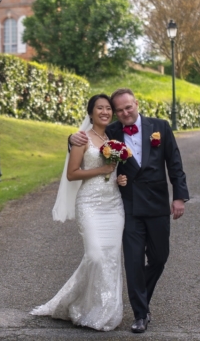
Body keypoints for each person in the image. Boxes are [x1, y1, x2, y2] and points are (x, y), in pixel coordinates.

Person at [69, 88, 189, 333]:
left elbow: (174, 164)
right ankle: (141, 314)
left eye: (128, 107)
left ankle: (139, 294)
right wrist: (70, 139)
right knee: (133, 261)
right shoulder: (111, 131)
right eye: (119, 110)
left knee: (159, 257)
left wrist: (179, 197)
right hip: (129, 205)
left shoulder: (161, 127)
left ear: (136, 103)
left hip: (157, 205)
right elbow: (88, 141)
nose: (124, 113)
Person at [31, 94, 128, 331]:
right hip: (90, 204)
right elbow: (72, 173)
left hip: (114, 205)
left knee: (112, 258)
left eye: (108, 108)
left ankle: (105, 310)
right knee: (95, 255)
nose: (104, 112)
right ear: (91, 112)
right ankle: (74, 303)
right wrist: (102, 169)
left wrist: (119, 177)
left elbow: (116, 169)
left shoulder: (113, 136)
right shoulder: (81, 138)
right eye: (99, 108)